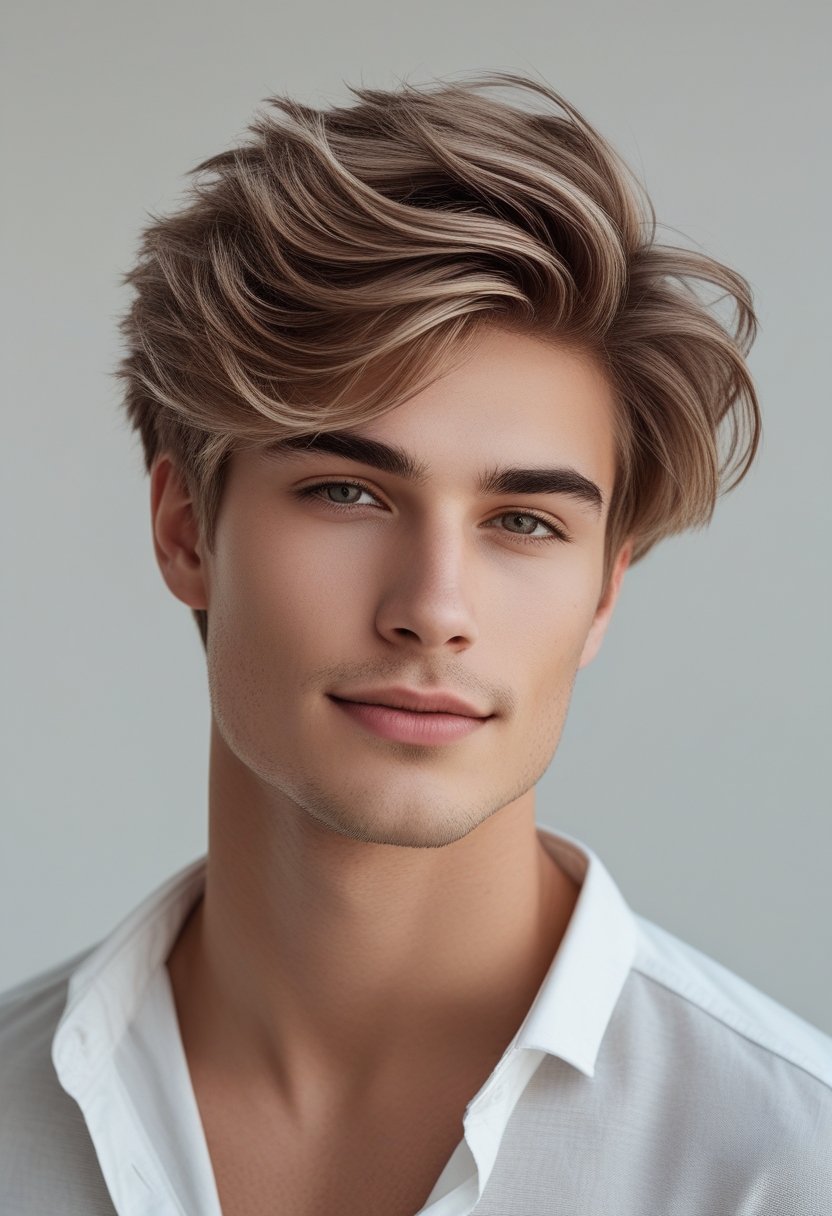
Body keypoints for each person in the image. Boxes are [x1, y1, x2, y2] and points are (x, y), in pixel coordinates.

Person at [1, 69, 829, 1216]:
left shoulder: (788, 1163)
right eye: (346, 492)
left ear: (602, 594)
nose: (432, 606)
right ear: (185, 528)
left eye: (525, 523)